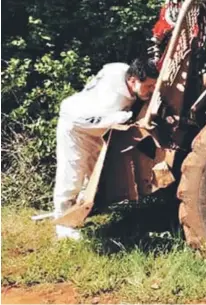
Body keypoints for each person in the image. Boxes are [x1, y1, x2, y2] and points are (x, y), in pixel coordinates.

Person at [54, 58, 159, 239]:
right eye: (148, 86)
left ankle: (78, 218)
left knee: (92, 179)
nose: (150, 91)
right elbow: (88, 118)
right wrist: (120, 117)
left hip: (97, 133)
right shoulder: (110, 99)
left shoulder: (123, 72)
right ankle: (63, 227)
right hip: (76, 128)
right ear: (133, 80)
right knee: (71, 175)